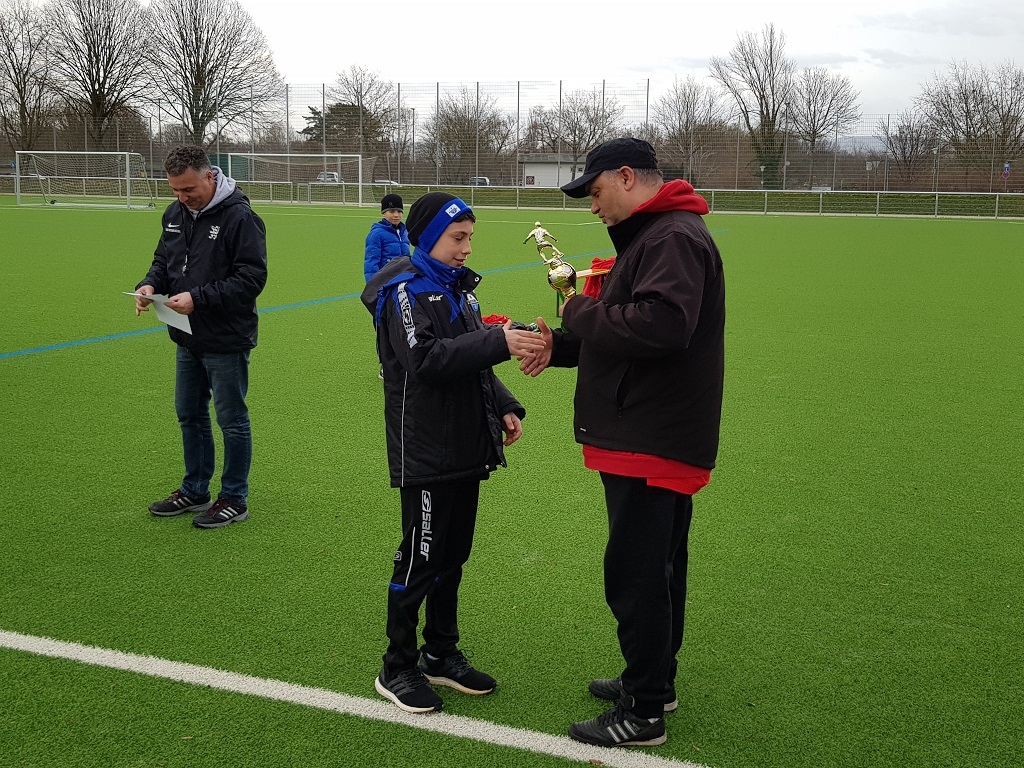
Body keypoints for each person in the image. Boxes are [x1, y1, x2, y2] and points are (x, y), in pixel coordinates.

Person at [521, 138, 725, 747]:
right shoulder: (660, 234)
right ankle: (654, 680)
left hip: (650, 435)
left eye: (595, 190)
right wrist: (561, 346)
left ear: (627, 177)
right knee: (657, 567)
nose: (592, 205)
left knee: (637, 573)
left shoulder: (671, 237)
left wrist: (578, 314)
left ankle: (643, 711)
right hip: (651, 429)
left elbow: (662, 326)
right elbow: (630, 329)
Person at [360, 192, 546, 714]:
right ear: (426, 237)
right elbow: (424, 359)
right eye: (457, 237)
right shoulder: (404, 290)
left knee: (453, 556)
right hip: (426, 450)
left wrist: (503, 405)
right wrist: (499, 342)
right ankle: (397, 665)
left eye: (469, 238)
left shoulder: (461, 290)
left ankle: (440, 652)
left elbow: (471, 361)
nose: (466, 248)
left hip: (466, 444)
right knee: (421, 556)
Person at [135, 145, 268, 529]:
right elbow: (164, 261)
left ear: (210, 177)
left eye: (189, 189)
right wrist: (149, 285)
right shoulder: (174, 214)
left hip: (226, 337)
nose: (182, 197)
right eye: (175, 190)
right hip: (186, 335)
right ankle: (195, 490)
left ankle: (234, 498)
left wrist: (198, 298)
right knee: (189, 414)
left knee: (231, 419)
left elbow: (251, 279)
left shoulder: (241, 218)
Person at [364, 193, 411, 282]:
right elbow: (371, 261)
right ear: (384, 213)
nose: (396, 215)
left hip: (403, 279)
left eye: (399, 211)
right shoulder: (376, 234)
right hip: (385, 280)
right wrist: (373, 285)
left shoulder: (404, 232)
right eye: (392, 211)